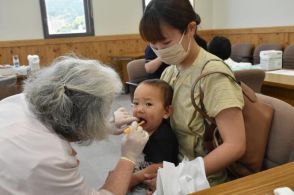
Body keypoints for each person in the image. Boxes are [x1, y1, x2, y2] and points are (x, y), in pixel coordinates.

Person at [0, 55, 149, 195]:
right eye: (103, 113)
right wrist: (129, 156)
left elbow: (66, 123)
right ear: (84, 117)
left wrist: (102, 127)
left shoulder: (19, 101)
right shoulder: (51, 159)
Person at [139, 0, 246, 192]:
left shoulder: (213, 75)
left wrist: (178, 177)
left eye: (165, 43)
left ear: (190, 29)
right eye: (153, 45)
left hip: (203, 180)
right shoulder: (170, 73)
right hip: (171, 166)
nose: (160, 51)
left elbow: (235, 145)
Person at [128, 79, 178, 194]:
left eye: (148, 104)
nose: (139, 109)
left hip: (153, 182)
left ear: (166, 112)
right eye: (136, 103)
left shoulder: (162, 136)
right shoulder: (141, 129)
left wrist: (135, 178)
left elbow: (161, 165)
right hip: (138, 171)